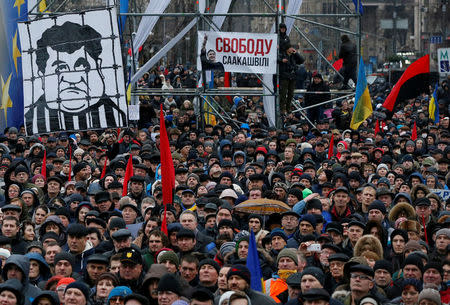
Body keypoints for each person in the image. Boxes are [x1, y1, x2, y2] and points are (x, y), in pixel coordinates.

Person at [278, 45, 305, 115]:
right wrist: (282, 60)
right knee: (283, 94)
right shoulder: (283, 54)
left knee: (291, 94)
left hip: (292, 77)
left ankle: (288, 108)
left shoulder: (294, 56)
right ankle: (282, 109)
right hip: (285, 76)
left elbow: (302, 60)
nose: (292, 49)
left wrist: (296, 53)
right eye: (291, 48)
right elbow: (277, 60)